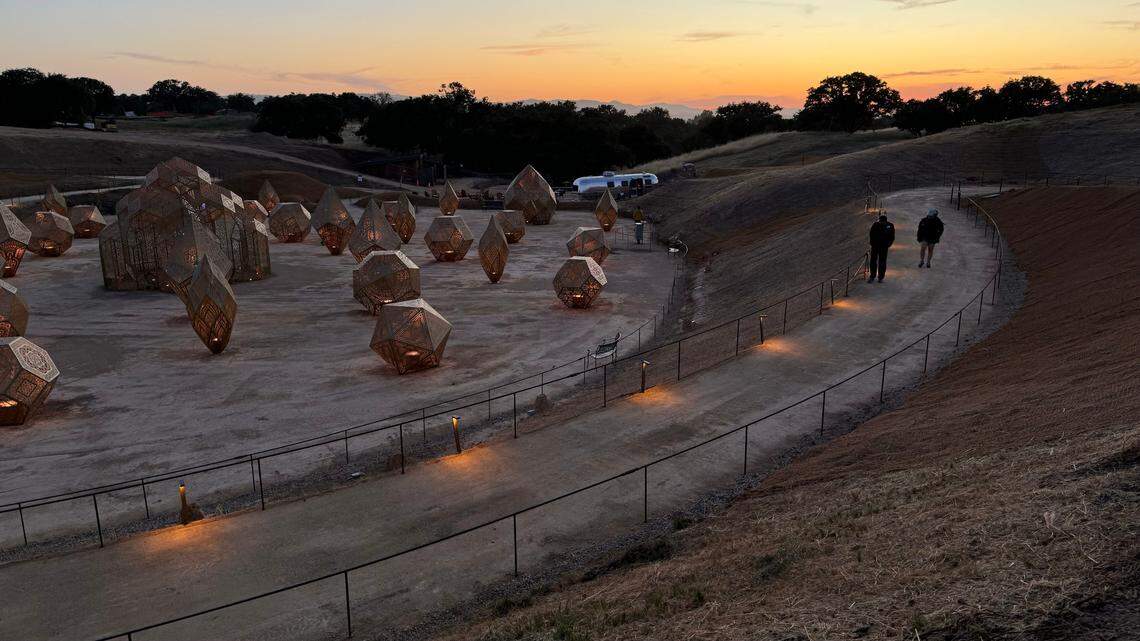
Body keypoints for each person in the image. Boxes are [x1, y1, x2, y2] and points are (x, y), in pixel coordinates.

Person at [868, 214, 895, 283]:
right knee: (873, 261)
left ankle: (881, 277)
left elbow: (892, 236)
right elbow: (871, 234)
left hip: (884, 247)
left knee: (882, 262)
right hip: (875, 246)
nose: (880, 222)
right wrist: (872, 243)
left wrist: (888, 244)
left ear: (885, 221)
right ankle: (872, 276)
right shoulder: (875, 225)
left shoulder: (890, 226)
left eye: (881, 221)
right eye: (880, 221)